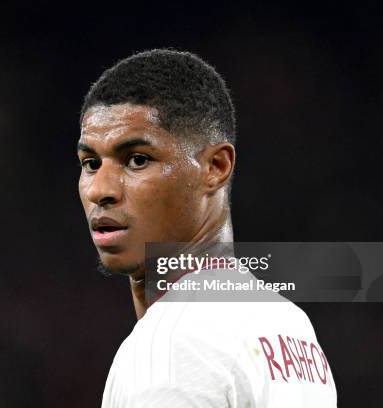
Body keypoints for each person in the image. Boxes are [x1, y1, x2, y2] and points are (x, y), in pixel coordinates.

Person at [77, 49, 337, 407]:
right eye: (90, 163)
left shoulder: (170, 348)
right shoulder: (290, 326)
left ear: (215, 166)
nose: (99, 189)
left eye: (137, 160)